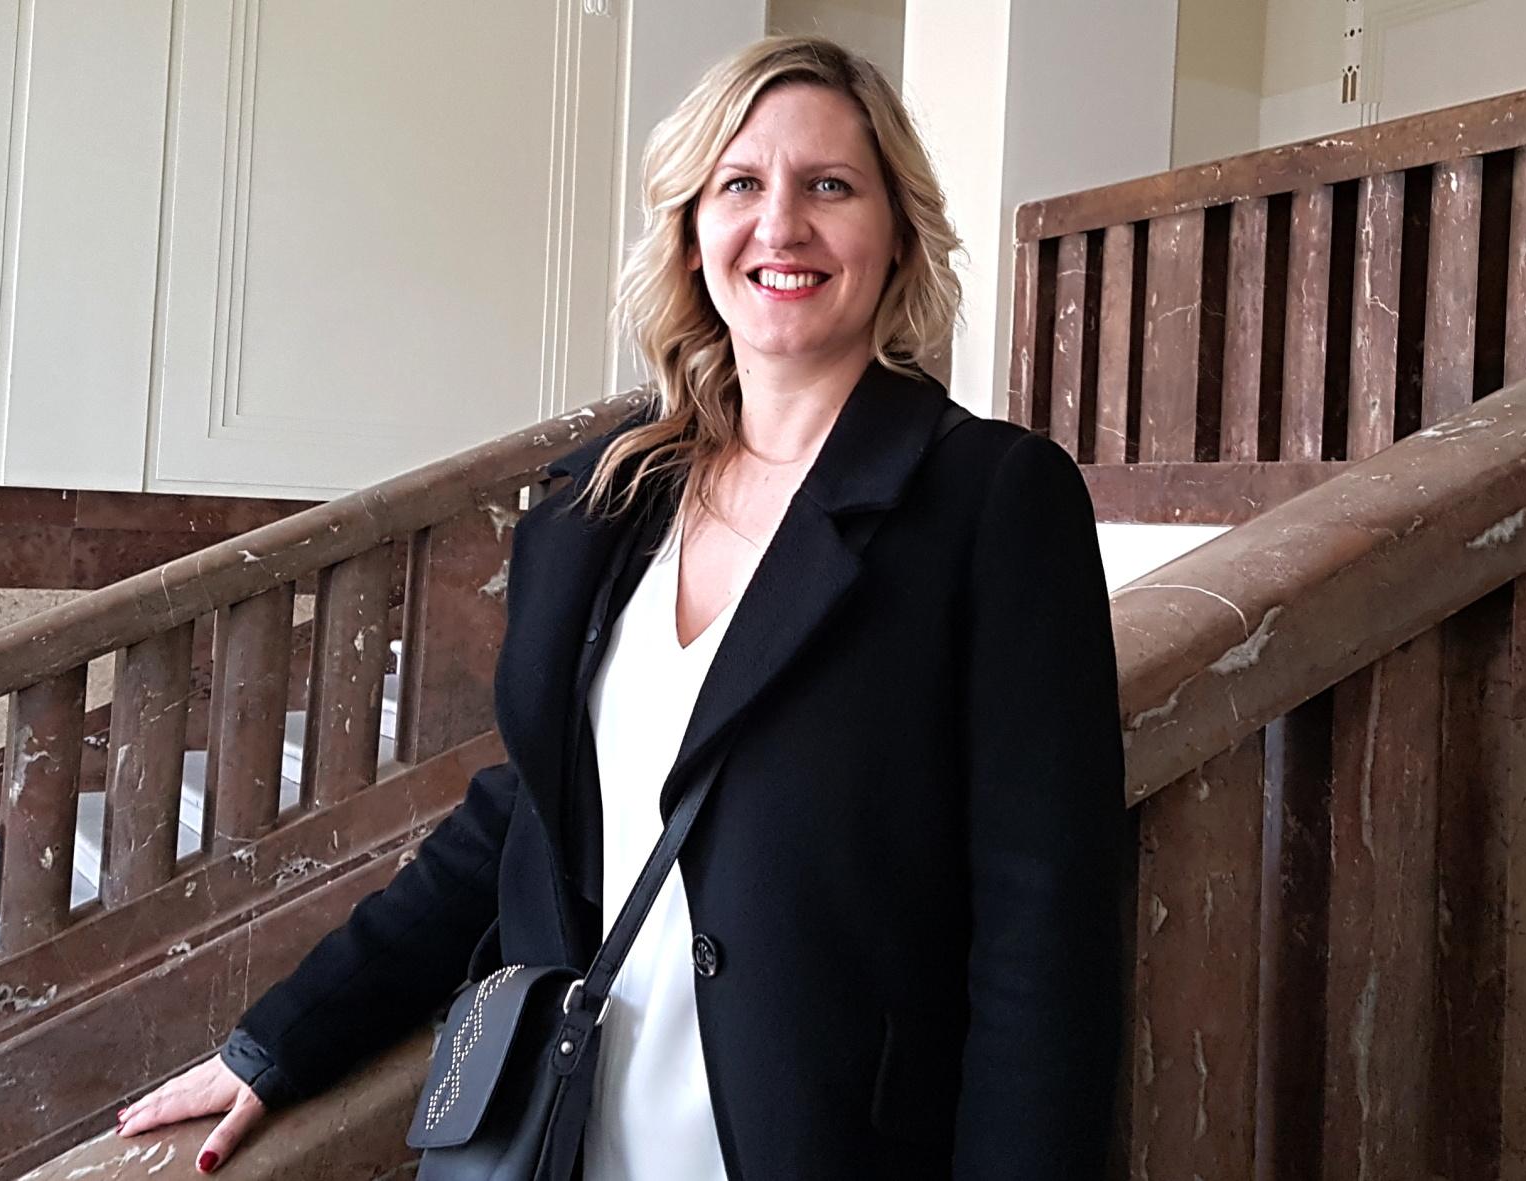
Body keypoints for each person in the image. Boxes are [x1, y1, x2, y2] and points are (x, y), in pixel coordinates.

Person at [112, 34, 1124, 1179]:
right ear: (691, 231)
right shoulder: (610, 501)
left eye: (830, 185)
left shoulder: (992, 501)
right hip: (579, 1145)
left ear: (896, 231)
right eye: (739, 184)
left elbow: (1046, 927)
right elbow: (526, 813)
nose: (780, 224)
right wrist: (284, 1039)